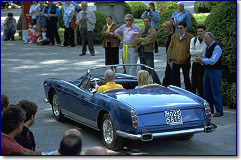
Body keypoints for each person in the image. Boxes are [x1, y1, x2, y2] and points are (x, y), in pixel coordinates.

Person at [195, 32, 223, 117]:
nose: (205, 40)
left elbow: (213, 60)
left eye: (206, 39)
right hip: (207, 70)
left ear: (211, 39)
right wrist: (201, 60)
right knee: (206, 90)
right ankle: (209, 110)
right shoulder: (207, 48)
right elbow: (206, 59)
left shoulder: (217, 48)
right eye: (204, 39)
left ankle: (219, 111)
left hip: (215, 71)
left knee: (215, 90)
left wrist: (202, 60)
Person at [167, 21, 193, 91]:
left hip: (185, 61)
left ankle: (188, 92)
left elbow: (193, 48)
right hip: (175, 61)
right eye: (178, 28)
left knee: (186, 78)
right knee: (176, 79)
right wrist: (172, 55)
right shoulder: (174, 36)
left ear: (185, 28)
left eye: (181, 28)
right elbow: (171, 47)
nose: (179, 30)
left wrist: (187, 55)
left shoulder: (190, 37)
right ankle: (177, 92)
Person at [134, 16, 161, 84]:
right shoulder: (142, 31)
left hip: (148, 52)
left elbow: (148, 40)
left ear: (150, 22)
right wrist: (142, 40)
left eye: (147, 21)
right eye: (144, 21)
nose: (145, 23)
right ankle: (144, 83)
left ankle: (157, 83)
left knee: (150, 69)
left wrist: (141, 41)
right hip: (141, 52)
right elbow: (136, 39)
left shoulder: (153, 31)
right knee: (143, 70)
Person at [190, 24, 207, 97]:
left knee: (202, 82)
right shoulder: (193, 40)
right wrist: (201, 51)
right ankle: (193, 97)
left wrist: (196, 51)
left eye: (201, 31)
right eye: (198, 31)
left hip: (203, 63)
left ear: (204, 31)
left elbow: (205, 53)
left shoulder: (207, 40)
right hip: (195, 62)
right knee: (194, 81)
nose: (200, 33)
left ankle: (202, 97)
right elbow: (191, 52)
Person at [162, 21, 174, 87]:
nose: (165, 29)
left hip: (171, 58)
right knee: (168, 73)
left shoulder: (172, 36)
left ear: (170, 27)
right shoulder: (169, 36)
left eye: (166, 27)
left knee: (169, 74)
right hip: (168, 58)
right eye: (164, 27)